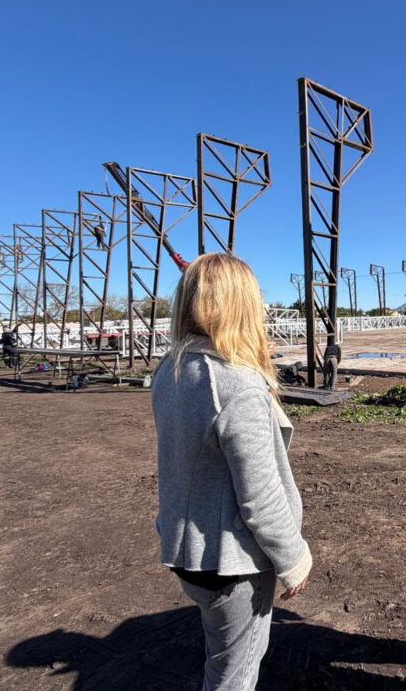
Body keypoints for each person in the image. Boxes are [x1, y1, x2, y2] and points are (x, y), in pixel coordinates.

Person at [153, 253, 311, 691]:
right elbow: (260, 497)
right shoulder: (236, 384)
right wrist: (293, 559)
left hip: (187, 550)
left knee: (220, 659)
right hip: (232, 562)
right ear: (242, 306)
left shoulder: (171, 369)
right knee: (234, 676)